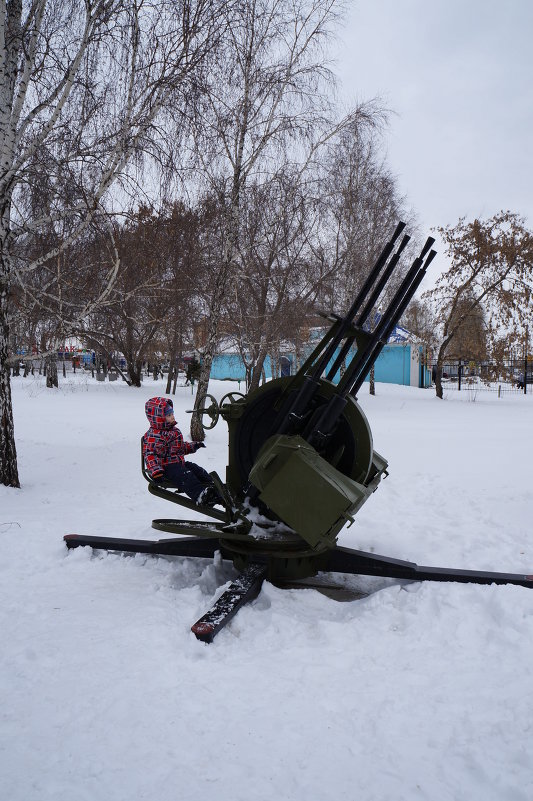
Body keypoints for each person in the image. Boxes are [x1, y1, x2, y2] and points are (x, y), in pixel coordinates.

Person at [142, 396, 222, 506]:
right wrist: (156, 472)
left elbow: (179, 448)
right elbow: (150, 454)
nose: (172, 417)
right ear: (159, 418)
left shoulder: (173, 431)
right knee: (186, 476)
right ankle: (200, 496)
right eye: (169, 415)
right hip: (165, 469)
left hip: (178, 464)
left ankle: (215, 491)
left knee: (197, 470)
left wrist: (193, 446)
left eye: (172, 413)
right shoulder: (154, 436)